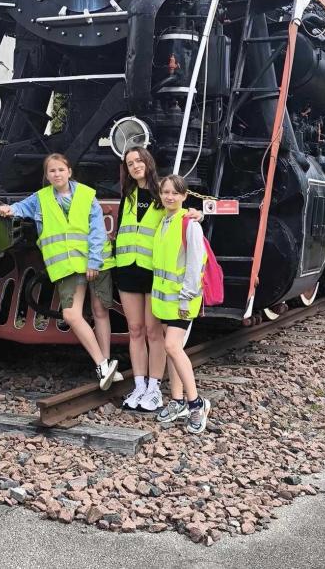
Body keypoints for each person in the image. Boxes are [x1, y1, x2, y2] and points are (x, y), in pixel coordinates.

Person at [0, 153, 120, 390]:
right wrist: (8, 209)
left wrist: (93, 261)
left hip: (96, 261)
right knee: (72, 314)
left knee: (99, 311)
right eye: (52, 171)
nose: (57, 174)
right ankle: (102, 364)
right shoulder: (40, 198)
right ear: (47, 175)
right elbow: (22, 207)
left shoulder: (86, 195)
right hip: (67, 265)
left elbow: (97, 231)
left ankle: (107, 366)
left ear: (69, 171)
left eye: (61, 170)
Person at [115, 147, 202, 413]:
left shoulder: (160, 194)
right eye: (130, 163)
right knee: (135, 330)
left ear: (148, 163)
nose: (135, 166)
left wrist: (197, 213)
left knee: (154, 332)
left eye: (139, 160)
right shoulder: (127, 196)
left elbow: (180, 215)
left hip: (153, 274)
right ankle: (139, 384)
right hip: (127, 269)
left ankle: (154, 388)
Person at [152, 174, 211, 434]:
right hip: (164, 300)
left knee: (172, 346)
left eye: (175, 193)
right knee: (171, 350)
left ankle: (196, 403)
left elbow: (195, 263)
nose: (169, 196)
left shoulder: (190, 224)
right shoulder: (163, 220)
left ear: (185, 196)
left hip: (183, 299)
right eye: (165, 192)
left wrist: (187, 297)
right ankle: (177, 401)